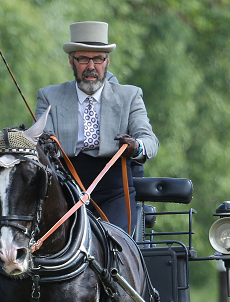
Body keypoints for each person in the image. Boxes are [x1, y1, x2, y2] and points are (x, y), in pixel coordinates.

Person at [35, 21, 159, 234]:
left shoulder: (129, 96)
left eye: (98, 59)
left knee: (116, 247)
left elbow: (150, 141)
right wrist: (45, 144)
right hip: (64, 188)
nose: (91, 67)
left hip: (114, 188)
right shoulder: (49, 96)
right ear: (71, 61)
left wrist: (135, 147)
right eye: (83, 58)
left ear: (107, 61)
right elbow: (40, 142)